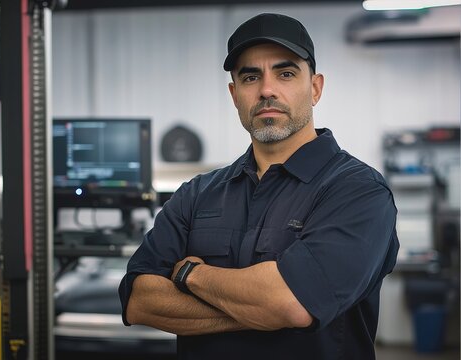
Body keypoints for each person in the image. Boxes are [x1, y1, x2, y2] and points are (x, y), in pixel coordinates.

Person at [118, 12, 399, 360]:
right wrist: (260, 310)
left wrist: (191, 274)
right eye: (251, 77)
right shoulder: (196, 193)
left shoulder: (359, 191)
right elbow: (140, 300)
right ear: (235, 95)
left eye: (285, 73)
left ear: (315, 88)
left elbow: (290, 303)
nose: (267, 90)